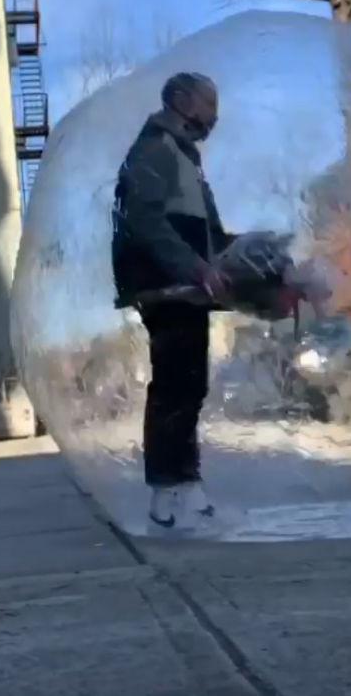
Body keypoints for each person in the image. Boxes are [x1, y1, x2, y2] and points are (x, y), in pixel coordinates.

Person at [111, 72, 234, 528]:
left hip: (184, 286)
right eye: (208, 103)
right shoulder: (155, 150)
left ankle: (183, 483)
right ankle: (167, 489)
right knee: (175, 385)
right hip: (166, 286)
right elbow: (146, 222)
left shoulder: (184, 156)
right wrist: (195, 267)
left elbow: (207, 232)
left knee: (188, 383)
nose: (213, 116)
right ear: (180, 99)